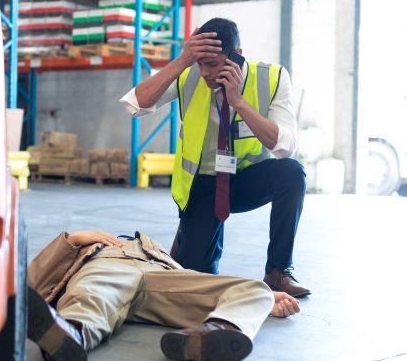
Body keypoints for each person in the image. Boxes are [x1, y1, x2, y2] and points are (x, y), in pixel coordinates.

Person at [119, 17, 310, 297]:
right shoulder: (188, 75)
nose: (206, 73)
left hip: (247, 181)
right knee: (196, 284)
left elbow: (284, 147)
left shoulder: (272, 78)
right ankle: (189, 233)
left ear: (237, 57)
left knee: (293, 173)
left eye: (213, 64)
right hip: (203, 187)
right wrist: (182, 61)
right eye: (201, 64)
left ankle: (278, 271)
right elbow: (134, 105)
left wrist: (239, 103)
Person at [27, 230, 300, 361]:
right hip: (107, 267)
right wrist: (73, 239)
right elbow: (34, 282)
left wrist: (262, 302)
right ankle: (69, 336)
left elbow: (201, 285)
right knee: (92, 296)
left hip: (160, 275)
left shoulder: (156, 251)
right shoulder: (94, 247)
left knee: (254, 287)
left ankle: (218, 329)